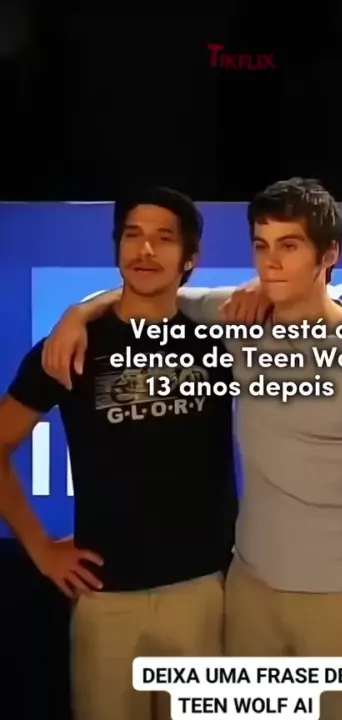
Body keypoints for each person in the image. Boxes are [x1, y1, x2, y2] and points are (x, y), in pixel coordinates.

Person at [42, 177, 342, 720]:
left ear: (330, 254)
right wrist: (75, 315)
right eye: (262, 246)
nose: (271, 263)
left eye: (289, 246)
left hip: (340, 599)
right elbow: (147, 294)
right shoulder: (238, 321)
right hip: (249, 594)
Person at [0, 186, 238, 720]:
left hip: (202, 594)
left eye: (163, 238)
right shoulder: (68, 349)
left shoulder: (217, 344)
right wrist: (39, 549)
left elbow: (292, 297)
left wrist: (82, 306)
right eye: (133, 235)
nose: (145, 250)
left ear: (190, 258)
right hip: (105, 603)